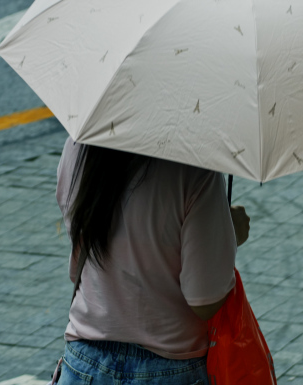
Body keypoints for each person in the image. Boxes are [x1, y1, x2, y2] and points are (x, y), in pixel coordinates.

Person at [55, 138, 250, 384]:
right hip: (170, 369)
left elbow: (81, 259)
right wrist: (227, 235)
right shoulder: (195, 168)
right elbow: (204, 301)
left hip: (84, 363)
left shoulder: (79, 147)